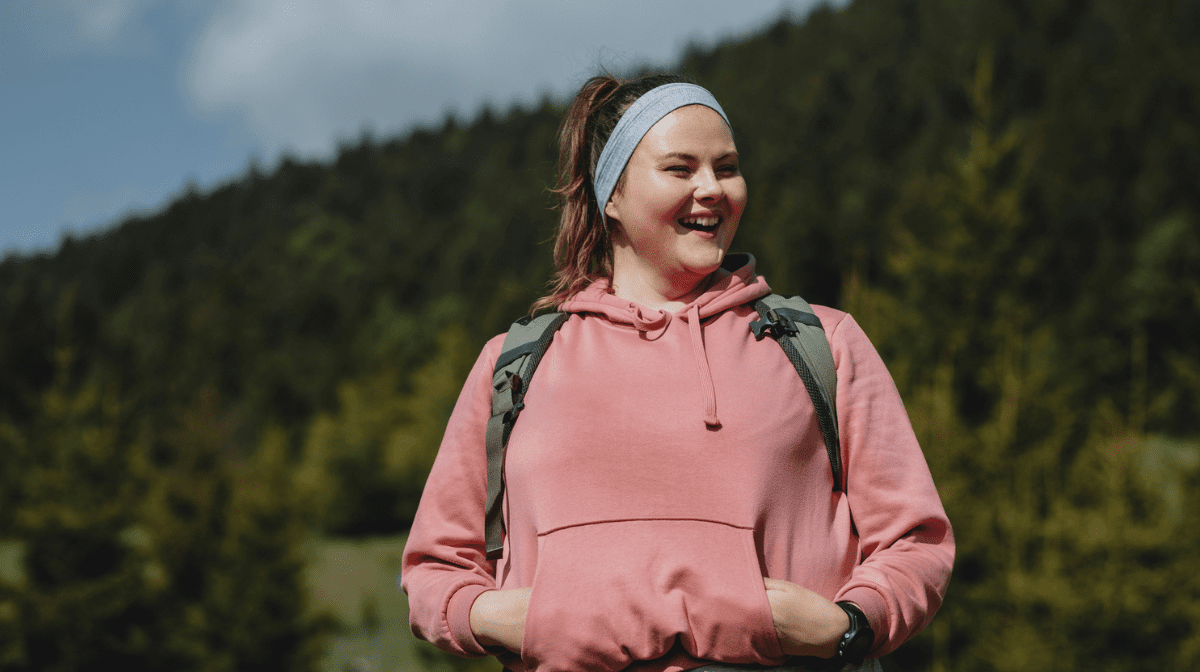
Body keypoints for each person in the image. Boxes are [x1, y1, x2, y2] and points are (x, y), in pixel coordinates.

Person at [400, 73, 954, 672]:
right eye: (681, 169)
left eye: (727, 167)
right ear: (610, 196)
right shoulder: (515, 363)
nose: (712, 189)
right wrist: (506, 618)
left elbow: (915, 542)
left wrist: (847, 627)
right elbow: (435, 569)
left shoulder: (822, 344)